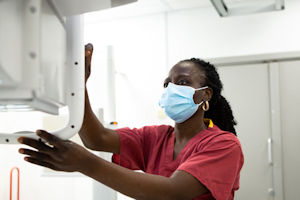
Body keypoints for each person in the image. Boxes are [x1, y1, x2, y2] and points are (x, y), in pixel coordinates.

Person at [18, 44, 244, 200]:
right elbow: (97, 139)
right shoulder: (156, 137)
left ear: (206, 95)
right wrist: (79, 85)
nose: (172, 89)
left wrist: (86, 164)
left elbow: (173, 192)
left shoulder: (224, 144)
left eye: (182, 82)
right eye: (168, 84)